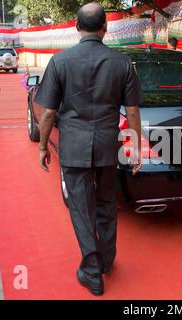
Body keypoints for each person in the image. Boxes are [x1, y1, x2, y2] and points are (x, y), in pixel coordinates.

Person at [34, 2, 144, 296]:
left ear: (77, 27)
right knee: (107, 203)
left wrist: (43, 146)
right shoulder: (122, 63)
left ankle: (92, 273)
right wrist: (135, 146)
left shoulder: (60, 61)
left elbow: (47, 113)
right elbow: (132, 111)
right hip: (108, 146)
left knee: (81, 209)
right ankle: (106, 261)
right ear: (105, 27)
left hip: (74, 147)